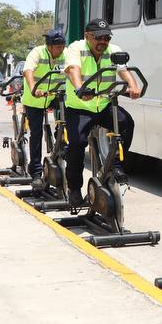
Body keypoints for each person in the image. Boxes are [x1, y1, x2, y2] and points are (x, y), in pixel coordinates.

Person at [63, 18, 141, 204]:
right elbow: (73, 69)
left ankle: (115, 164)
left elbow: (123, 70)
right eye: (98, 38)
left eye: (106, 37)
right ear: (87, 36)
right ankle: (74, 188)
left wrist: (133, 85)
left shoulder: (113, 50)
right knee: (76, 144)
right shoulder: (76, 48)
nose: (102, 42)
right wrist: (80, 87)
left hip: (104, 105)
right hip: (80, 107)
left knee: (126, 123)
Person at [21, 28, 67, 188]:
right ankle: (35, 172)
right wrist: (34, 87)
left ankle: (60, 141)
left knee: (69, 114)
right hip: (34, 99)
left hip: (53, 96)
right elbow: (28, 71)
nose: (61, 50)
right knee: (36, 134)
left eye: (62, 46)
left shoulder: (65, 55)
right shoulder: (37, 53)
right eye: (58, 47)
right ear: (49, 46)